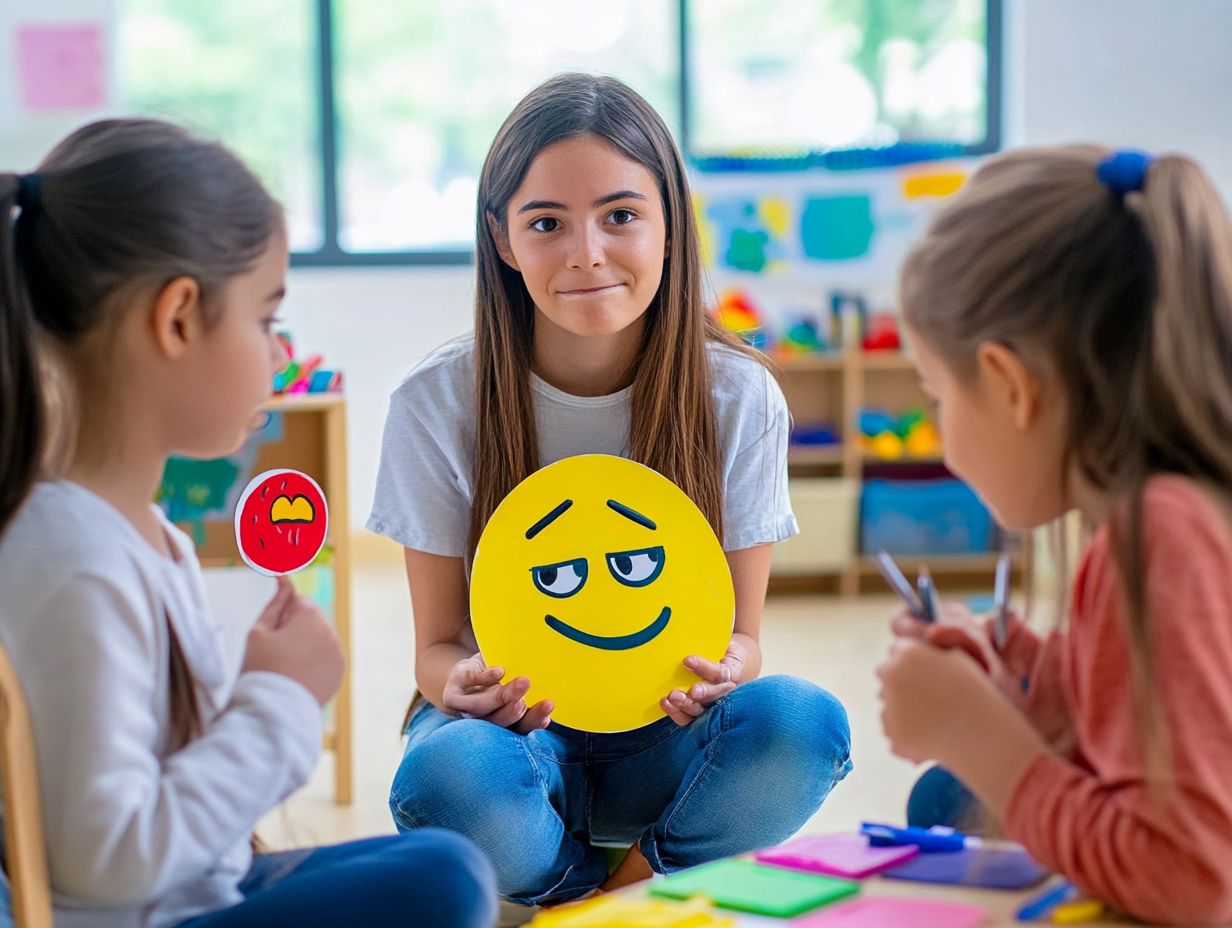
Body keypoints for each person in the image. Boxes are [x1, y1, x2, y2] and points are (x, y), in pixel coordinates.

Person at [369, 72, 852, 906]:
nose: (587, 252)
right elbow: (437, 649)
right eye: (546, 223)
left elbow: (742, 640)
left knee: (801, 724)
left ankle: (626, 892)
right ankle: (580, 894)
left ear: (671, 223)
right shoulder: (437, 399)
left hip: (665, 742)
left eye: (621, 215)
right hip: (515, 747)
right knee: (447, 775)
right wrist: (461, 685)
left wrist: (726, 669)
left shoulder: (737, 395)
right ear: (503, 238)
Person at [0, 118, 496, 928]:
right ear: (179, 319)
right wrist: (281, 700)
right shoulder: (74, 558)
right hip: (140, 911)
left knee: (437, 863)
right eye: (267, 320)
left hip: (190, 889)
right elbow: (111, 860)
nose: (277, 353)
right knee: (440, 881)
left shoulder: (131, 530)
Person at [877, 145, 1232, 925]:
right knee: (947, 794)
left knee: (955, 789)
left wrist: (979, 735)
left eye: (937, 395)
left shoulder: (1162, 532)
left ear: (1010, 385)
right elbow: (1142, 725)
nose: (940, 435)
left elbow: (1199, 881)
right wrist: (1020, 677)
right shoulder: (1158, 515)